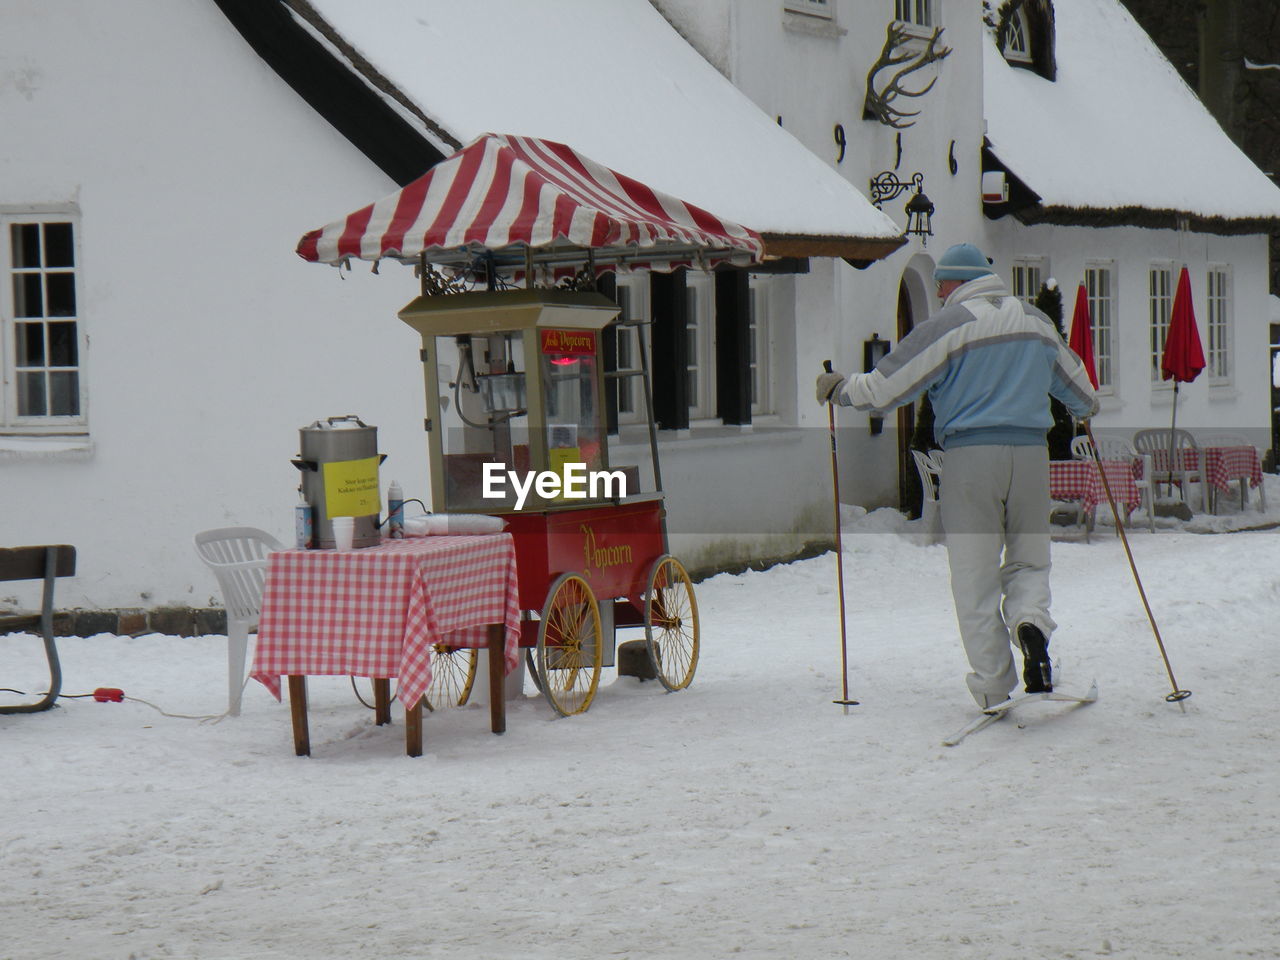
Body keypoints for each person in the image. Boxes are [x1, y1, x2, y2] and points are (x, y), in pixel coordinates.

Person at [816, 242, 1099, 710]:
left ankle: (993, 683)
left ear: (954, 282)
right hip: (1030, 457)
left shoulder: (950, 324)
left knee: (975, 574)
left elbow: (886, 388)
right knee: (1030, 560)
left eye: (941, 284)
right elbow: (1084, 394)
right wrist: (1077, 406)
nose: (940, 291)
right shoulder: (1036, 321)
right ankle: (1031, 624)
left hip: (971, 459)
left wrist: (841, 390)